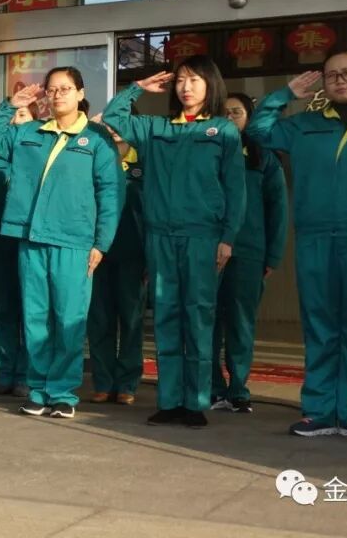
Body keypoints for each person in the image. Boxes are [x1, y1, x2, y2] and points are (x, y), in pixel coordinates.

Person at [247, 49, 347, 441]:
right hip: (315, 238)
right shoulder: (305, 125)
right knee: (320, 325)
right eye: (331, 74)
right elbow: (258, 130)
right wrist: (285, 94)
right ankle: (319, 411)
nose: (340, 80)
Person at [103, 55, 246, 428]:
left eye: (195, 80)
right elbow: (114, 117)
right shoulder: (156, 127)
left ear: (210, 85)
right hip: (161, 236)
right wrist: (137, 88)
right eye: (181, 80)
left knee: (198, 316)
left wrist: (228, 238)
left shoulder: (222, 131)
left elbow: (235, 188)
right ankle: (169, 400)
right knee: (166, 316)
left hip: (203, 236)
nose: (186, 87)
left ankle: (195, 401)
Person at [0, 66, 122, 419]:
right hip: (32, 238)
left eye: (65, 88)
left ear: (80, 93)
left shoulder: (96, 139)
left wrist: (101, 243)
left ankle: (62, 393)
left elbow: (110, 193)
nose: (58, 95)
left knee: (69, 319)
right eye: (52, 90)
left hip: (74, 241)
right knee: (36, 318)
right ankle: (38, 390)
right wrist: (10, 105)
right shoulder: (30, 132)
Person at [210, 92, 288, 414]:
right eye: (224, 113)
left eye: (237, 112)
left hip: (249, 251)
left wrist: (273, 255)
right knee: (209, 320)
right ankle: (213, 387)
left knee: (240, 323)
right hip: (210, 251)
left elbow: (278, 207)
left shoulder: (263, 157)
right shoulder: (207, 150)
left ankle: (238, 388)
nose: (230, 118)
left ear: (249, 117)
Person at [86, 122, 147, 406]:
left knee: (131, 320)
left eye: (119, 125)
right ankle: (103, 382)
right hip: (97, 252)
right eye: (108, 126)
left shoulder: (144, 161)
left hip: (133, 252)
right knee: (99, 320)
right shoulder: (94, 156)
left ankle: (127, 383)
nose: (114, 131)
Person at [0, 106, 33, 399]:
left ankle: (26, 375)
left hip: (28, 241)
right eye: (13, 115)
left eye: (23, 115)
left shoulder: (36, 152)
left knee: (29, 311)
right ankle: (5, 373)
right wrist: (6, 110)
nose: (16, 121)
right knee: (4, 310)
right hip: (0, 241)